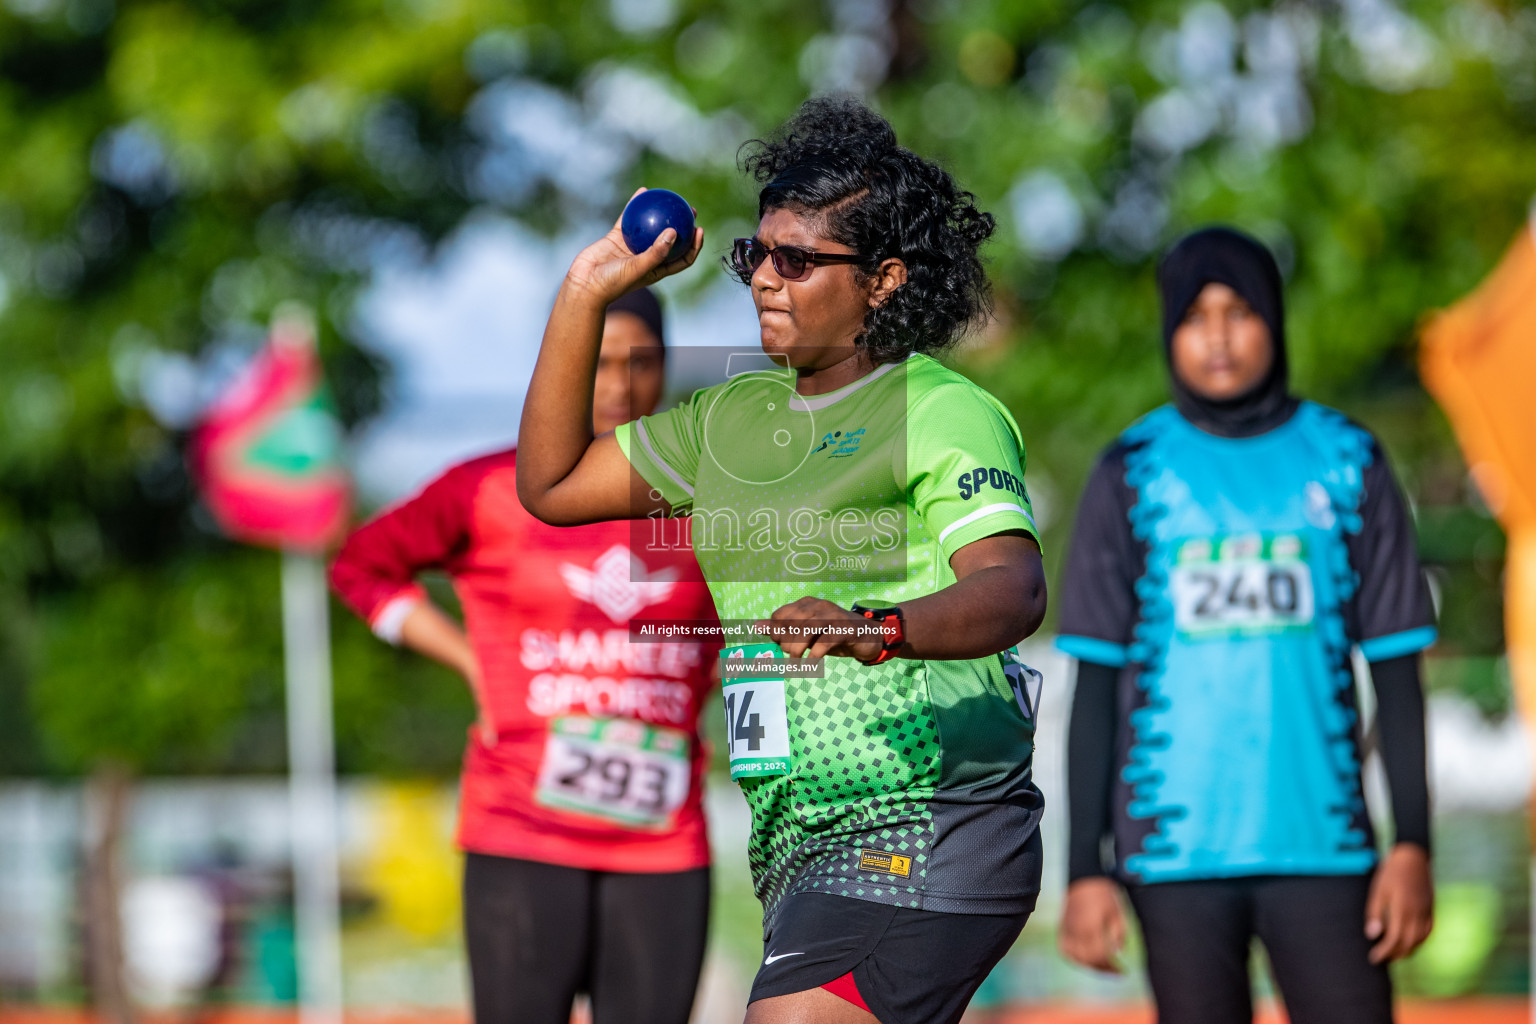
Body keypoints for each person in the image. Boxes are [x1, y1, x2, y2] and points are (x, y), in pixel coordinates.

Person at [515, 97, 1049, 1024]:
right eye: (756, 254)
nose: (765, 277)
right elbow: (553, 484)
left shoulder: (938, 408)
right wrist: (587, 291)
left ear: (881, 281)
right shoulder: (731, 420)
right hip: (798, 843)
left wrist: (874, 631)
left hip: (931, 818)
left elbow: (1012, 589)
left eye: (797, 260)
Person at [1055, 227, 1436, 1024]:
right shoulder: (1131, 470)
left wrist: (1414, 845)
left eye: (1240, 312)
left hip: (1327, 849)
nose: (1219, 336)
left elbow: (1398, 671)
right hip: (1171, 855)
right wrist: (1083, 869)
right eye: (1195, 316)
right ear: (1170, 331)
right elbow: (1094, 684)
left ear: (1274, 319)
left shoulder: (1347, 458)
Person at [328, 287, 718, 1024]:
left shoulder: (707, 505)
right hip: (521, 831)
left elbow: (762, 631)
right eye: (596, 363)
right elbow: (360, 567)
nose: (617, 386)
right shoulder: (488, 490)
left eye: (640, 364)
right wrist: (467, 657)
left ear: (666, 372)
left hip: (664, 843)